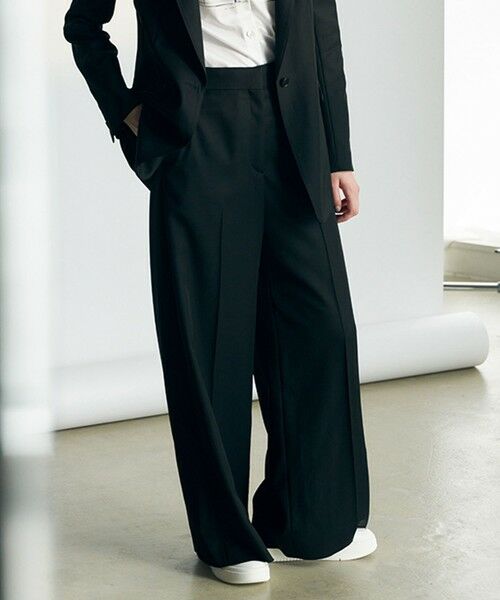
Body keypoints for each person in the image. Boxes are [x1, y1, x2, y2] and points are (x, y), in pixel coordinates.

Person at [63, 0, 376, 585]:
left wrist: (339, 154)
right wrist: (130, 116)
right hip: (196, 132)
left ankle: (307, 522)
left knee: (322, 330)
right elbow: (84, 25)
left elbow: (322, 32)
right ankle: (228, 541)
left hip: (294, 130)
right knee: (209, 340)